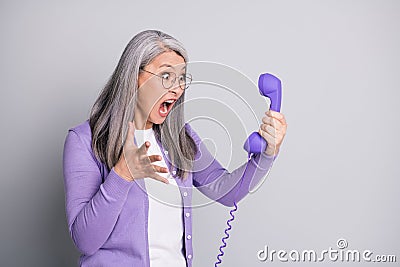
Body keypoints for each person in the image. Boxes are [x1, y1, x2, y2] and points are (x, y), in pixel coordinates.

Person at [62, 29, 287, 267]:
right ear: (134, 77)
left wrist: (268, 153)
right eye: (166, 76)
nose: (177, 88)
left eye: (181, 79)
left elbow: (227, 190)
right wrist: (122, 174)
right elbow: (85, 240)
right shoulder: (84, 140)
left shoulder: (181, 137)